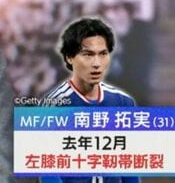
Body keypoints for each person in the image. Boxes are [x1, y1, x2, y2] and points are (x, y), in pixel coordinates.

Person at [42, 18, 138, 183]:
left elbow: (129, 166)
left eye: (103, 54)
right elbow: (48, 172)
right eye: (88, 55)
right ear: (69, 57)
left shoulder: (123, 102)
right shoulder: (54, 105)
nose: (96, 63)